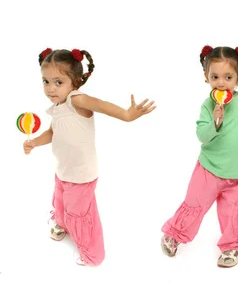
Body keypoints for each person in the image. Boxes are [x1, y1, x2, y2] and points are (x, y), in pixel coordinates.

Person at [23, 48, 156, 266]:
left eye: (58, 82)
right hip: (64, 170)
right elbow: (52, 132)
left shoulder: (77, 99)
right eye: (45, 81)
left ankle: (92, 252)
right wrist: (34, 143)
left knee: (79, 213)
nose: (50, 88)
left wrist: (126, 115)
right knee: (60, 201)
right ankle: (62, 224)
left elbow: (100, 105)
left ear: (75, 82)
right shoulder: (58, 106)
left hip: (82, 175)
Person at [160, 45, 238, 268]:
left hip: (237, 173)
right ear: (206, 76)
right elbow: (202, 136)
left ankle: (232, 246)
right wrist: (215, 121)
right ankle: (175, 234)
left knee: (232, 212)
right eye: (215, 76)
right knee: (194, 206)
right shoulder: (208, 105)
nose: (221, 82)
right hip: (209, 169)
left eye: (228, 77)